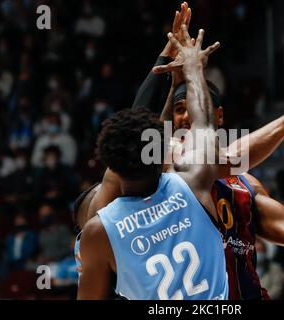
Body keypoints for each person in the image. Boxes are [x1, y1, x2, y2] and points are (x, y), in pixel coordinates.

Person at [75, 1, 284, 300]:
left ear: (216, 115)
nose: (185, 116)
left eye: (190, 106)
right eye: (178, 110)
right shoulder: (170, 173)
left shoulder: (241, 184)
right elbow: (148, 135)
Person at [77, 28, 228, 300]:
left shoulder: (99, 230)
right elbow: (204, 128)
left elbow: (139, 133)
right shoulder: (190, 181)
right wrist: (193, 71)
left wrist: (170, 79)